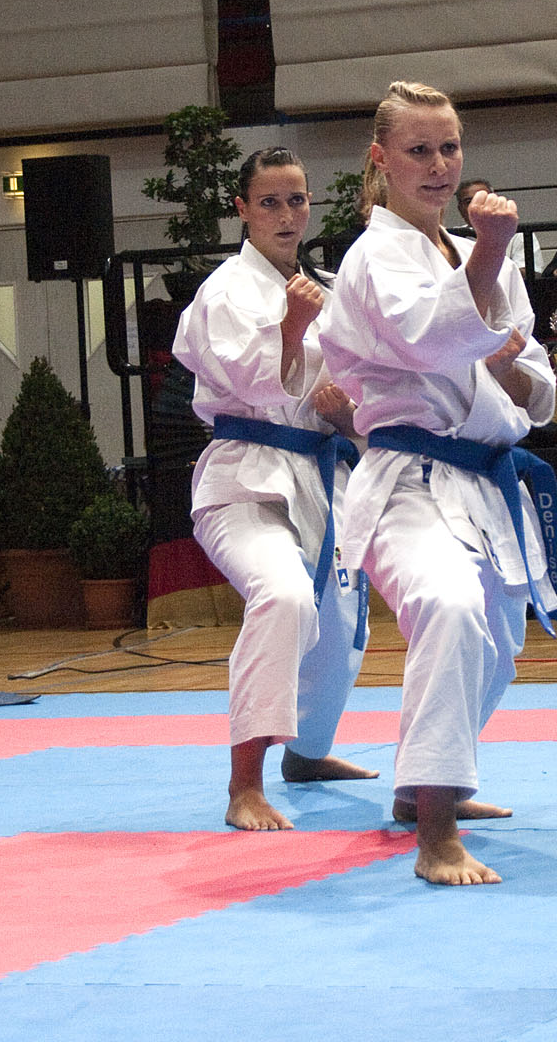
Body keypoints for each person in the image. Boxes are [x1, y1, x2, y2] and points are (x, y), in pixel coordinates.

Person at [321, 80, 557, 885]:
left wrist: (516, 374)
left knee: (499, 643)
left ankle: (424, 785)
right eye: (418, 150)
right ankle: (433, 834)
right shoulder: (372, 256)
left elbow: (536, 378)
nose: (437, 165)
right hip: (408, 483)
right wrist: (491, 254)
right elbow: (429, 343)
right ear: (380, 161)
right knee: (450, 610)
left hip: (485, 483)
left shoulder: (467, 247)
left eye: (449, 148)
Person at [172, 146, 378, 832]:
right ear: (241, 209)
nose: (286, 215)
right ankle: (243, 783)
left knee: (340, 625)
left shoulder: (322, 285)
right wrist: (291, 330)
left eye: (296, 200)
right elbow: (255, 384)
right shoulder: (226, 290)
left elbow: (346, 386)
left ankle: (308, 754)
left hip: (321, 477)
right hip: (245, 481)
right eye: (269, 202)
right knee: (284, 597)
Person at [453, 177, 530, 271]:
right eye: (468, 202)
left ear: (494, 202)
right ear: (460, 209)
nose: (475, 206)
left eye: (484, 199)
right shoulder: (451, 237)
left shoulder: (519, 234)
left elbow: (530, 273)